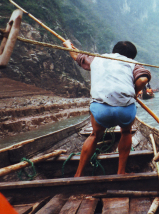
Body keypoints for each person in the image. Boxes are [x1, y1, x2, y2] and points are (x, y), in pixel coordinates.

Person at [63, 40, 151, 176]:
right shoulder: (133, 64)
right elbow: (143, 80)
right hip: (125, 110)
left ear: (113, 51)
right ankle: (121, 171)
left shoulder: (97, 59)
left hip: (101, 110)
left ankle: (78, 174)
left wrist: (69, 46)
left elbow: (77, 56)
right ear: (131, 56)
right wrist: (134, 93)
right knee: (126, 133)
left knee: (94, 135)